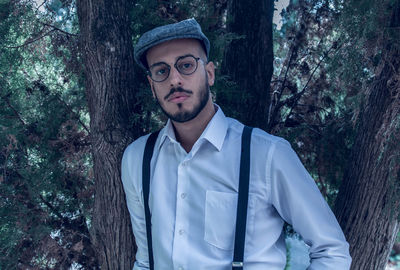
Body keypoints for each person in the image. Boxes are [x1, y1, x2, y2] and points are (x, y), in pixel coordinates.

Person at [121, 18, 351, 270]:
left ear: (209, 73)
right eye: (161, 71)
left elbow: (332, 251)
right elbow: (145, 261)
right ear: (152, 86)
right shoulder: (137, 158)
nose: (174, 79)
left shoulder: (266, 154)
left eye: (186, 65)